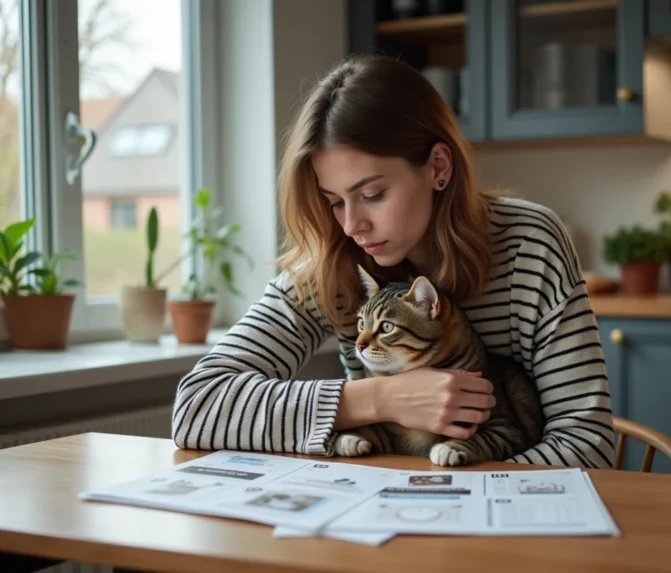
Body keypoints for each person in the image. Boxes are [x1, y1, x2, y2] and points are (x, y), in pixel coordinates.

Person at [171, 54, 615, 469]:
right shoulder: (332, 264)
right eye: (334, 202)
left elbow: (587, 443)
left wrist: (458, 495)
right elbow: (197, 405)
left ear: (438, 166)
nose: (351, 226)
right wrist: (381, 397)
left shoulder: (529, 243)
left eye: (371, 195)